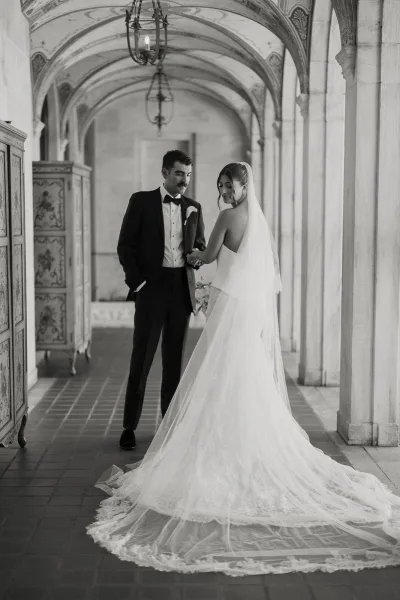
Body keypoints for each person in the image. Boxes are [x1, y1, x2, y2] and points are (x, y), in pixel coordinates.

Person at [87, 162, 400, 575]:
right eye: (219, 184)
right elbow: (258, 269)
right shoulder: (256, 219)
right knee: (241, 377)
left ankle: (215, 446)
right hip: (242, 308)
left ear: (242, 184)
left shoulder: (225, 215)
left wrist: (192, 258)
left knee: (216, 374)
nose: (223, 189)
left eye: (227, 183)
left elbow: (208, 255)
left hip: (227, 305)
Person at [117, 150, 206, 451]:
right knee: (141, 359)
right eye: (180, 173)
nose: (185, 180)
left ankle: (168, 425)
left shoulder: (194, 207)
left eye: (189, 175)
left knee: (173, 361)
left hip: (180, 290)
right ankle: (129, 426)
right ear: (165, 172)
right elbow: (125, 245)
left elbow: (200, 246)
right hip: (150, 288)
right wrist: (138, 283)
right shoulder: (140, 201)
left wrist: (198, 258)